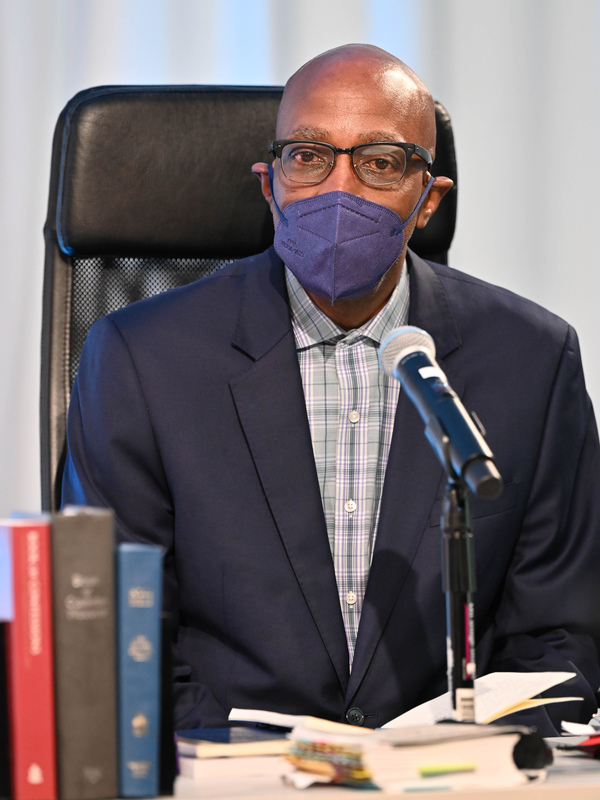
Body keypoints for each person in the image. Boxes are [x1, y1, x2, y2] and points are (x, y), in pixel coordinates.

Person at [62, 43, 600, 735]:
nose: (338, 190)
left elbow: (560, 638)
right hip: (225, 775)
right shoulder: (140, 360)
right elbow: (118, 642)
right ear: (270, 183)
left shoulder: (532, 359)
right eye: (310, 156)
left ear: (428, 200)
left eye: (378, 162)